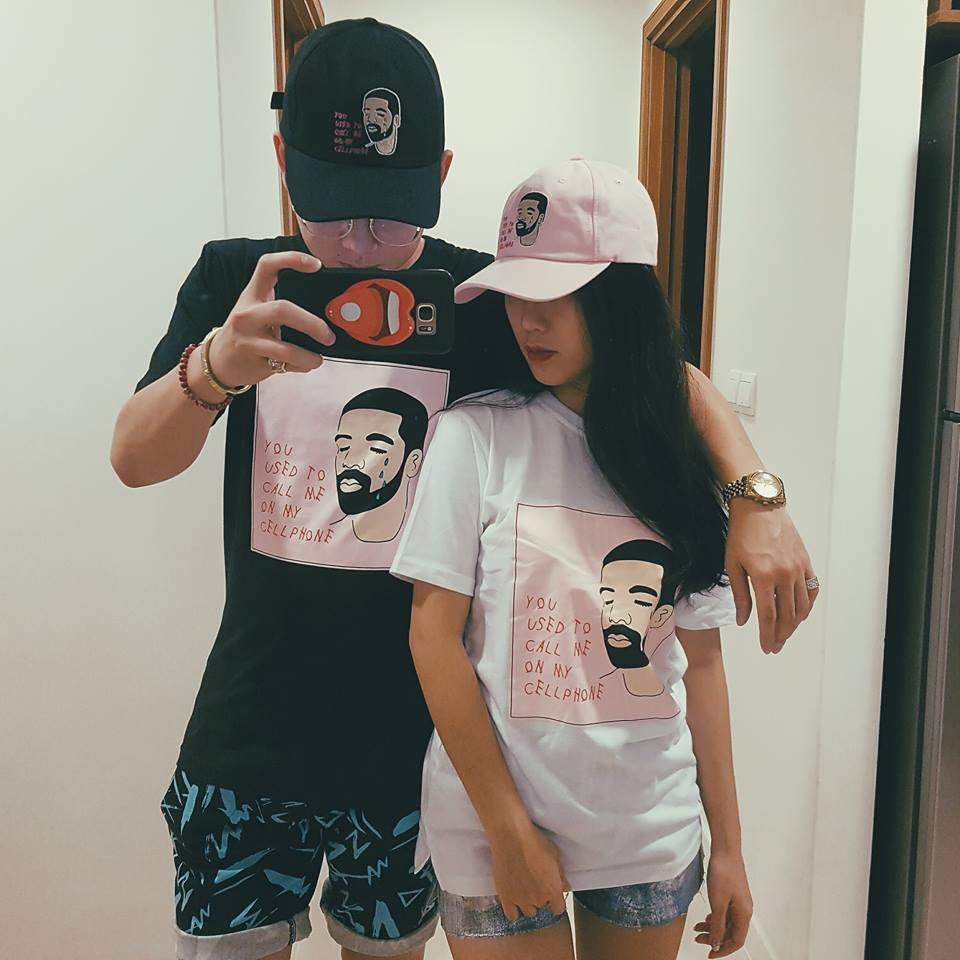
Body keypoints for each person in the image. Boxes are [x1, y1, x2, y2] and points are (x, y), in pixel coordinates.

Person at [110, 17, 815, 960]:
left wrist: (758, 498)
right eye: (333, 208)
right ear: (283, 161)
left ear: (440, 175)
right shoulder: (237, 279)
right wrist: (216, 366)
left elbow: (659, 374)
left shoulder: (483, 302)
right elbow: (134, 457)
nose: (361, 242)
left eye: (391, 214)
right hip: (250, 730)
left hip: (405, 745)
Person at [391, 159, 763, 960]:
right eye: (515, 294)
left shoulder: (681, 454)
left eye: (557, 295)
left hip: (645, 826)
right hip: (490, 827)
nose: (528, 321)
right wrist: (507, 829)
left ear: (620, 300)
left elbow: (702, 666)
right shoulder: (474, 437)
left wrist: (730, 848)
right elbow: (432, 639)